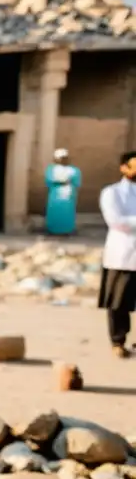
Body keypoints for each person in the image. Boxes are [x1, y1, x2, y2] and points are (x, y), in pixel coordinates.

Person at [98, 150, 136, 359]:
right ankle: (118, 341)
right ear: (124, 168)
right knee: (118, 303)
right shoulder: (112, 192)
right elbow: (116, 220)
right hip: (123, 256)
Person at [45, 148, 81, 236]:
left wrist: (68, 183)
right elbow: (49, 181)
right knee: (55, 212)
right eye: (60, 158)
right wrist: (60, 182)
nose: (62, 160)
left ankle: (67, 230)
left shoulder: (74, 170)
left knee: (67, 212)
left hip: (68, 194)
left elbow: (77, 181)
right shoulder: (51, 169)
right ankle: (53, 230)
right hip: (55, 195)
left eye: (64, 158)